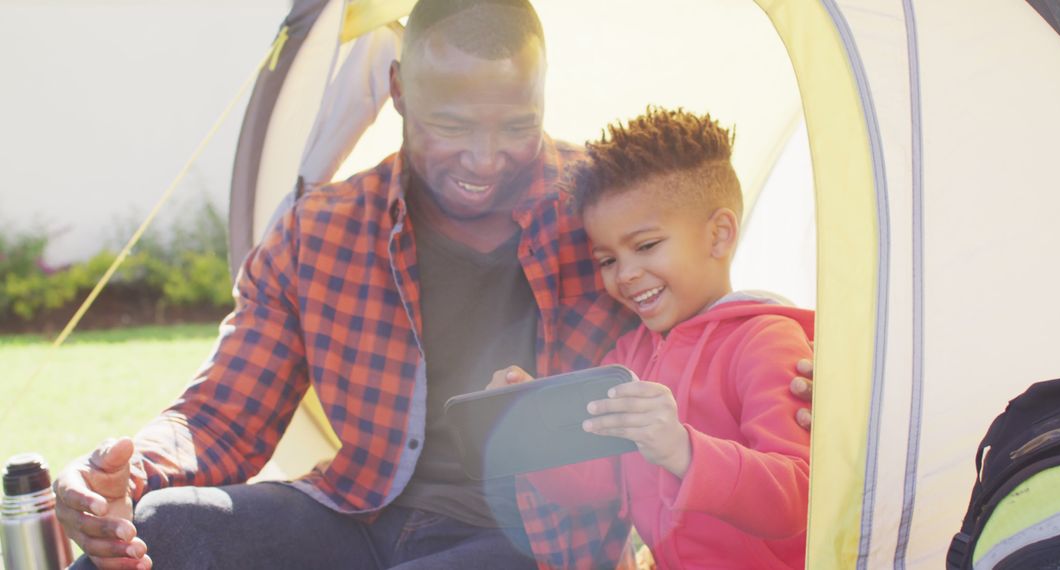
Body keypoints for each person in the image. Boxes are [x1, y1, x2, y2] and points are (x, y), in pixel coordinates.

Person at [53, 2, 814, 569]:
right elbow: (222, 416)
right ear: (397, 92)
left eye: (516, 124)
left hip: (523, 541)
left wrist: (830, 371)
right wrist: (129, 467)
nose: (485, 158)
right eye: (452, 125)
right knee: (164, 528)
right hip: (355, 513)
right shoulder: (320, 233)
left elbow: (705, 303)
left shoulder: (605, 215)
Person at [492, 107, 813, 569]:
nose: (626, 275)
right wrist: (529, 435)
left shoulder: (766, 340)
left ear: (719, 235)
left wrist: (684, 450)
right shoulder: (628, 357)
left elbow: (796, 497)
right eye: (607, 259)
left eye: (645, 246)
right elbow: (597, 480)